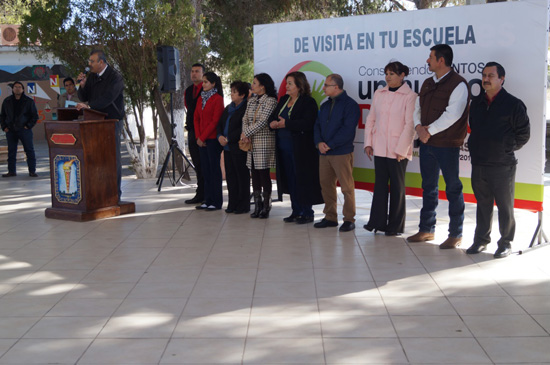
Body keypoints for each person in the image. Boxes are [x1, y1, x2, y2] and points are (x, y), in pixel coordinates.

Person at [407, 44, 469, 249]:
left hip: (446, 145)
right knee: (428, 187)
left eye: (430, 57)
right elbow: (417, 108)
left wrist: (427, 131)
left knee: (452, 187)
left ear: (441, 60)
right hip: (427, 144)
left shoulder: (459, 84)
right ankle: (427, 229)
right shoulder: (426, 83)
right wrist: (418, 127)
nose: (427, 61)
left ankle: (456, 233)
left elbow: (453, 114)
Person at [466, 62, 530, 259]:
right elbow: (474, 128)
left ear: (502, 79)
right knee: (483, 204)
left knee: (504, 206)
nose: (486, 79)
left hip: (502, 166)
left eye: (491, 75)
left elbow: (524, 135)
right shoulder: (476, 103)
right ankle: (481, 241)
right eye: (484, 75)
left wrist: (504, 148)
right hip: (479, 164)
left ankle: (505, 243)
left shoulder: (513, 104)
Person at [363, 61, 416, 236]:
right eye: (386, 73)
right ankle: (377, 222)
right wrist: (368, 142)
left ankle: (395, 226)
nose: (388, 77)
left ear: (402, 76)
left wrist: (402, 149)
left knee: (397, 188)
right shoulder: (379, 93)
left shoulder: (410, 96)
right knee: (379, 186)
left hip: (397, 150)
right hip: (379, 147)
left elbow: (410, 125)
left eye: (392, 74)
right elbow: (371, 118)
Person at [269, 71, 323, 224]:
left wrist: (286, 124)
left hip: (301, 149)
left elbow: (308, 123)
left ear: (299, 86)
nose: (286, 86)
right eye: (287, 83)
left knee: (302, 180)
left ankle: (307, 212)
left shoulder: (308, 102)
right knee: (290, 179)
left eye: (290, 83)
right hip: (283, 147)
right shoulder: (284, 99)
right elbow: (274, 117)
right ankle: (296, 210)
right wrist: (272, 123)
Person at [313, 74, 360, 232]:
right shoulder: (325, 105)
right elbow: (317, 125)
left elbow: (347, 130)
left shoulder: (350, 105)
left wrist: (330, 145)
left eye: (326, 85)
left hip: (341, 152)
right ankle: (330, 217)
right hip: (324, 153)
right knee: (326, 185)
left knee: (346, 187)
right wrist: (319, 142)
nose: (323, 88)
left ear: (336, 87)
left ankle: (349, 219)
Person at [76, 49, 125, 200]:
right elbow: (84, 97)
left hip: (111, 122)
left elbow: (108, 98)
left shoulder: (115, 77)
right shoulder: (92, 77)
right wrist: (82, 85)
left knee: (112, 158)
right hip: (95, 122)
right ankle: (99, 193)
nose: (89, 64)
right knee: (96, 157)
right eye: (89, 61)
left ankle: (114, 194)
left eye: (92, 61)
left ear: (101, 62)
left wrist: (89, 107)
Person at [241, 73, 278, 219]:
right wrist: (245, 133)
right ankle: (257, 205)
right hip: (250, 141)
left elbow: (263, 121)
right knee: (254, 172)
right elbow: (245, 118)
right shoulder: (251, 100)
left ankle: (266, 206)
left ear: (262, 86)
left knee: (263, 172)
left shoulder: (271, 101)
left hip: (264, 141)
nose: (252, 85)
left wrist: (247, 133)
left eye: (254, 83)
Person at [217, 81, 250, 214]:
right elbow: (220, 123)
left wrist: (229, 138)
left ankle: (243, 205)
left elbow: (242, 127)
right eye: (231, 91)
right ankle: (232, 203)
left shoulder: (246, 108)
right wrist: (219, 135)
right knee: (230, 176)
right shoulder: (228, 108)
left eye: (234, 92)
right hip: (227, 148)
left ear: (242, 95)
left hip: (238, 147)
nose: (231, 94)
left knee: (241, 176)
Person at [194, 72, 224, 211]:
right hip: (202, 140)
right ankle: (207, 199)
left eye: (206, 82)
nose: (203, 84)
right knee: (205, 171)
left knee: (214, 171)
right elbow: (196, 118)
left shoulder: (217, 99)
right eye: (203, 82)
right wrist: (198, 137)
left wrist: (203, 137)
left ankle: (216, 201)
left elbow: (215, 121)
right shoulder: (201, 98)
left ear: (213, 84)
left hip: (211, 140)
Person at [0, 81, 39, 178]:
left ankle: (32, 171)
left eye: (19, 87)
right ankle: (11, 171)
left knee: (29, 150)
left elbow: (34, 116)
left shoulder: (29, 101)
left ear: (23, 89)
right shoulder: (7, 101)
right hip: (10, 130)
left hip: (24, 129)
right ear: (13, 89)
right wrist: (4, 126)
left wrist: (28, 126)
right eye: (15, 87)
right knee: (11, 151)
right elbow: (2, 115)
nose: (17, 88)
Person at [184, 63, 205, 205]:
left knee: (205, 164)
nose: (194, 74)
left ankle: (206, 192)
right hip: (192, 130)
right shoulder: (188, 90)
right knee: (197, 163)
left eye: (197, 71)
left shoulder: (207, 89)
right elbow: (188, 108)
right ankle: (200, 192)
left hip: (204, 132)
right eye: (192, 71)